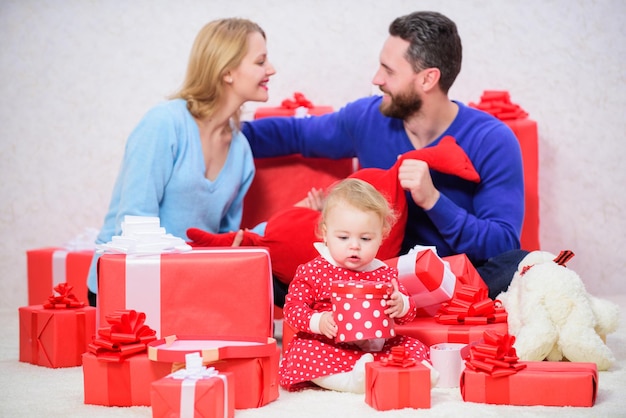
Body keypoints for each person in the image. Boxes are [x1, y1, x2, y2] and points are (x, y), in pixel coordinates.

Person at [241, 11, 528, 299]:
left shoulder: (492, 139)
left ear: (428, 79)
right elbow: (296, 134)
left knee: (520, 264)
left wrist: (434, 201)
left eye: (389, 71)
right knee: (268, 269)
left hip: (452, 278)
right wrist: (221, 131)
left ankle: (419, 307)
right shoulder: (369, 117)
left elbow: (503, 244)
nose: (377, 79)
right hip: (375, 276)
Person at [85, 18, 276, 306]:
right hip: (126, 282)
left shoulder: (241, 150)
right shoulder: (164, 124)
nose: (271, 69)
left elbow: (222, 242)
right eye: (260, 61)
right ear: (227, 72)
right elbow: (135, 223)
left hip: (187, 285)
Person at [280, 178, 431, 393]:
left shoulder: (384, 272)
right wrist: (318, 321)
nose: (354, 246)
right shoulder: (313, 270)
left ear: (381, 237)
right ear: (325, 234)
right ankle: (350, 382)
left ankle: (414, 372)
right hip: (329, 346)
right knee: (301, 352)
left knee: (414, 346)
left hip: (376, 347)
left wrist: (401, 304)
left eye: (366, 239)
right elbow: (292, 310)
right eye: (343, 237)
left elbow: (408, 314)